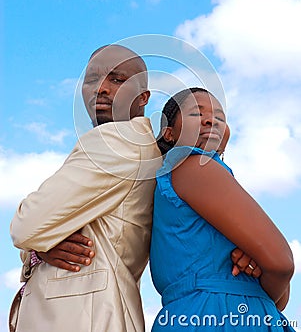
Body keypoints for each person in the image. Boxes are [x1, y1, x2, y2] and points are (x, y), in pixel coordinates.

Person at [9, 44, 163, 332]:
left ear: (143, 98)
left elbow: (26, 225)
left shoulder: (118, 140)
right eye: (92, 79)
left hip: (83, 317)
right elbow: (36, 235)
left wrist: (36, 242)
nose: (101, 88)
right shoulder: (139, 145)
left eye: (117, 79)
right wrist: (38, 251)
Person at [150, 87, 295, 331]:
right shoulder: (195, 165)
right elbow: (281, 265)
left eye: (220, 117)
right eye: (197, 113)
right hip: (221, 314)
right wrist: (259, 269)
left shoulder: (187, 178)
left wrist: (259, 263)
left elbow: (280, 283)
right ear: (169, 133)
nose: (211, 120)